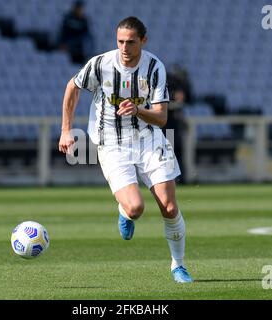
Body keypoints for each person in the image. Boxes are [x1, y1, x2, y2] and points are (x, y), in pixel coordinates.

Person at [59, 16, 193, 283]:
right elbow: (73, 87)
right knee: (135, 208)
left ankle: (178, 265)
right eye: (120, 41)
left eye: (130, 42)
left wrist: (137, 110)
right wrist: (65, 129)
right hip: (112, 143)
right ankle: (124, 212)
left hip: (149, 139)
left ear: (143, 41)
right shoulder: (100, 64)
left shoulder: (155, 67)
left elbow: (162, 118)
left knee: (168, 206)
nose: (124, 47)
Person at [165, 64, 195, 184]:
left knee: (178, 150)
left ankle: (180, 177)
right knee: (170, 150)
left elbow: (189, 98)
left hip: (176, 124)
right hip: (169, 124)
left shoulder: (181, 87)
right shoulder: (167, 87)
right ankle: (171, 178)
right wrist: (173, 97)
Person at [57, 0, 93, 64]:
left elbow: (86, 34)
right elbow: (63, 31)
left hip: (79, 46)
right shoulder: (68, 18)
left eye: (80, 8)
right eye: (78, 8)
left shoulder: (84, 20)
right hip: (68, 44)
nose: (79, 10)